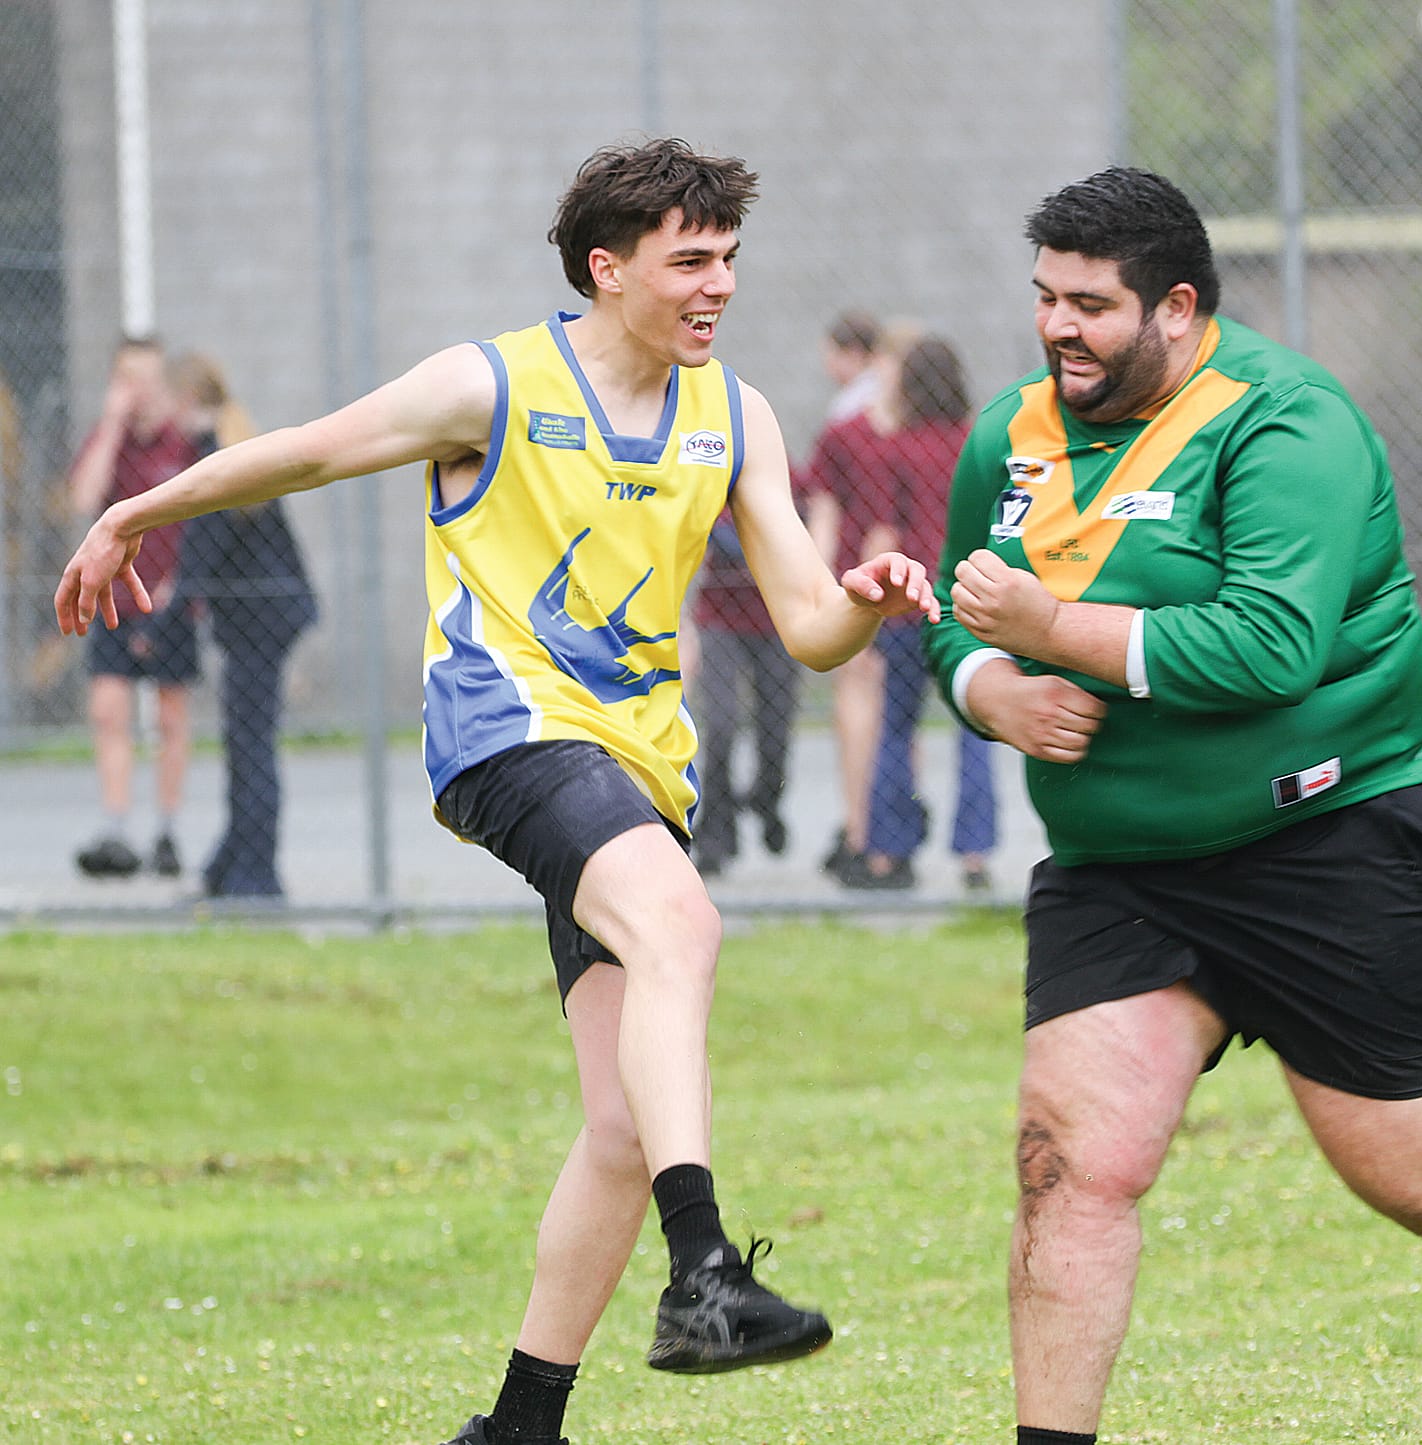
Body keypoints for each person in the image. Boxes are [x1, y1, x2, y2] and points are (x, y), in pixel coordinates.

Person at [56, 138, 940, 1445]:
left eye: (729, 262)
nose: (719, 289)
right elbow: (307, 450)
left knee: (622, 1128)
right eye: (690, 263)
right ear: (608, 267)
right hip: (509, 731)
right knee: (684, 924)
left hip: (636, 769)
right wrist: (138, 514)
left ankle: (519, 1423)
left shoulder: (732, 416)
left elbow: (807, 623)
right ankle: (703, 1274)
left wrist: (863, 609)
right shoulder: (497, 382)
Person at [922, 167, 1422, 1445]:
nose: (1056, 328)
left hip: (1330, 838)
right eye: (1044, 297)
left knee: (1417, 1180)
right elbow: (959, 602)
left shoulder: (1287, 422)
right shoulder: (1010, 434)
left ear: (1176, 307)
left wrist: (1052, 628)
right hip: (1120, 864)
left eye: (1090, 305)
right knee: (1070, 1164)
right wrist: (991, 684)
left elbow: (1267, 645)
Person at [840, 335, 998, 893]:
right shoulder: (976, 444)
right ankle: (975, 854)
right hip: (966, 602)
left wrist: (862, 610)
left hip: (908, 603)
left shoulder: (896, 447)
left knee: (896, 728)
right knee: (976, 726)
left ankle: (888, 852)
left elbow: (883, 532)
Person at [173, 353, 318, 901]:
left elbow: (199, 554)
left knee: (251, 747)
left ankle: (256, 876)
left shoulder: (220, 457)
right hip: (262, 621)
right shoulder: (230, 449)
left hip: (262, 624)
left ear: (186, 400)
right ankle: (231, 865)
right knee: (247, 743)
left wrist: (168, 616)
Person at [66, 336, 200, 879]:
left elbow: (200, 520)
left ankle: (166, 831)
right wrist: (113, 425)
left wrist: (180, 586)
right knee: (109, 710)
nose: (137, 391)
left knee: (170, 716)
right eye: (127, 378)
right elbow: (81, 499)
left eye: (146, 378)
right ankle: (116, 829)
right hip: (113, 601)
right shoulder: (109, 441)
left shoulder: (182, 444)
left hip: (168, 602)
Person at [798, 320, 918, 880]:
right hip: (896, 583)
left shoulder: (850, 430)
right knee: (896, 716)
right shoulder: (926, 435)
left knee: (865, 709)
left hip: (863, 583)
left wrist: (820, 583)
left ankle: (861, 829)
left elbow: (826, 510)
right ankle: (888, 828)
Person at [683, 504, 799, 876]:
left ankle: (767, 801)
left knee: (776, 729)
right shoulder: (711, 474)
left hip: (777, 621)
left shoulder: (788, 480)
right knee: (720, 726)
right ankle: (716, 835)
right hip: (719, 620)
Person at [820, 309, 883, 423]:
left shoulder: (851, 402)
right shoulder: (889, 391)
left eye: (833, 353)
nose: (827, 363)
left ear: (854, 354)